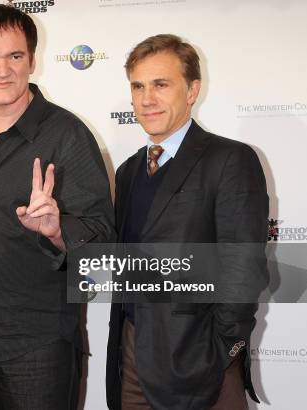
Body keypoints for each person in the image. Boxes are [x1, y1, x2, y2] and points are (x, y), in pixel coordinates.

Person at [0, 5, 115, 410]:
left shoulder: (68, 135)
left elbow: (102, 242)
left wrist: (56, 229)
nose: (2, 70)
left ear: (32, 59)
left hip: (34, 353)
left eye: (15, 56)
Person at [105, 34, 269, 410]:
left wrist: (220, 350)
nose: (147, 98)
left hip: (200, 360)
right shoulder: (129, 171)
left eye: (161, 84)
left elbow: (243, 267)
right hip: (132, 356)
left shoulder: (229, 160)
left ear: (192, 90)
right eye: (138, 86)